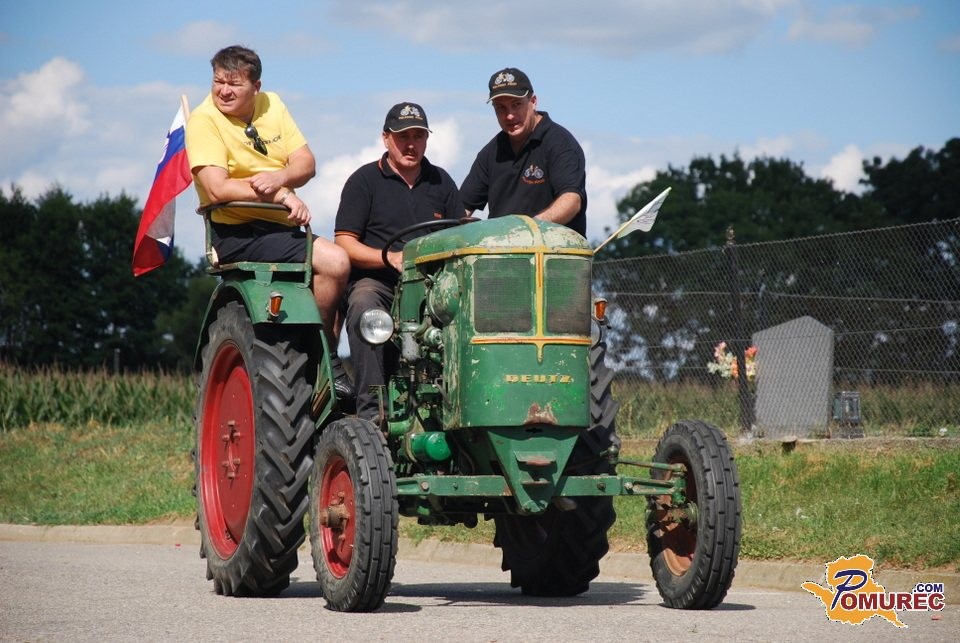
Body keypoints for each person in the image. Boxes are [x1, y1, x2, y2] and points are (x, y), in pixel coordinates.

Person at [185, 45, 353, 399]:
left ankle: (325, 348)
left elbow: (306, 163)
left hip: (280, 229)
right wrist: (280, 195)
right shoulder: (203, 120)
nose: (223, 91)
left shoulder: (272, 104)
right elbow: (217, 188)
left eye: (234, 84)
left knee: (349, 269)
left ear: (256, 86)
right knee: (335, 262)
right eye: (218, 81)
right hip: (237, 232)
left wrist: (279, 178)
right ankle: (322, 357)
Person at [335, 102, 462, 422]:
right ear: (386, 138)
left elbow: (459, 236)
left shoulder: (442, 182)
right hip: (379, 281)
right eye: (403, 136)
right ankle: (372, 414)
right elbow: (345, 243)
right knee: (364, 306)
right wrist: (387, 257)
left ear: (427, 140)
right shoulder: (364, 181)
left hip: (432, 284)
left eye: (418, 136)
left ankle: (458, 406)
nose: (411, 144)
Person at [460, 67, 587, 236]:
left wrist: (526, 232)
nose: (509, 115)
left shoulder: (560, 143)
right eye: (501, 108)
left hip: (554, 250)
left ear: (533, 101)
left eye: (516, 105)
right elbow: (462, 209)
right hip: (500, 250)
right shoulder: (491, 152)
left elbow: (571, 201)